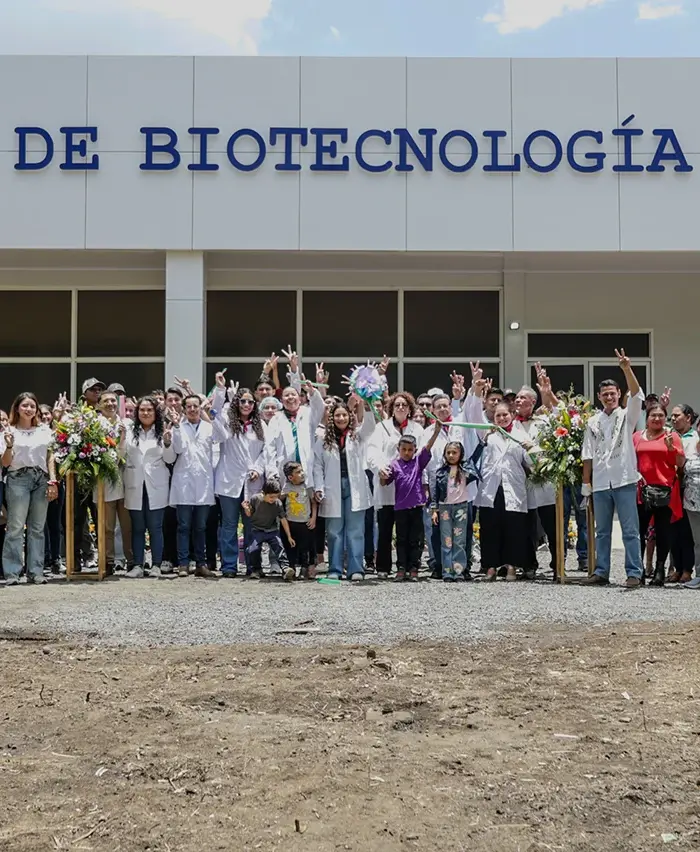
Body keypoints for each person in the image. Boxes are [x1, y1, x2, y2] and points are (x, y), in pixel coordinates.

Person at [581, 349, 645, 588]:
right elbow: (587, 453)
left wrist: (626, 369)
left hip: (624, 478)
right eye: (605, 394)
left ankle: (634, 573)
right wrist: (586, 484)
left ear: (619, 395)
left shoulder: (627, 416)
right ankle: (602, 571)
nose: (609, 397)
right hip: (600, 482)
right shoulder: (592, 422)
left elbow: (637, 394)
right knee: (602, 531)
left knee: (630, 530)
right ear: (599, 397)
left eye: (613, 393)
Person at [313, 395, 374, 582]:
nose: (341, 419)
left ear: (350, 416)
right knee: (334, 531)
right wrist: (318, 487)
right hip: (333, 487)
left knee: (355, 530)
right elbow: (317, 465)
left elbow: (370, 426)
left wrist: (367, 403)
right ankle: (335, 569)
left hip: (354, 486)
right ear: (332, 418)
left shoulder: (357, 436)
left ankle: (356, 568)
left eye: (344, 415)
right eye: (337, 415)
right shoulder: (323, 439)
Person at [211, 376, 267, 578]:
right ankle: (229, 566)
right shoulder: (227, 422)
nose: (246, 404)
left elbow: (265, 452)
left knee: (252, 526)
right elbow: (215, 415)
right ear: (236, 403)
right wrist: (220, 390)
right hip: (229, 481)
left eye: (250, 401)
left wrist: (258, 469)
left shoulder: (260, 427)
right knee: (229, 525)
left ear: (254, 404)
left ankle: (253, 566)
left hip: (252, 483)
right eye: (242, 401)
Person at [1, 392, 59, 585]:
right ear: (17, 408)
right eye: (25, 405)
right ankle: (12, 572)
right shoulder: (9, 431)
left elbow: (50, 456)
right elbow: (6, 463)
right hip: (18, 478)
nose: (29, 409)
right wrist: (9, 446)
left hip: (41, 479)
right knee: (16, 526)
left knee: (37, 527)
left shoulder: (44, 430)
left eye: (32, 406)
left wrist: (53, 481)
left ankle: (36, 571)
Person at [366, 392, 424, 579]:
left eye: (404, 405)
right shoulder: (381, 427)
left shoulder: (417, 428)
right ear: (391, 407)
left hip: (409, 490)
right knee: (384, 528)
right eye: (397, 405)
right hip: (387, 484)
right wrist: (379, 468)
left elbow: (423, 456)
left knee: (408, 533)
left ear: (410, 409)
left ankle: (407, 566)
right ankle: (383, 567)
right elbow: (372, 451)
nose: (400, 408)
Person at [474, 402, 531, 581]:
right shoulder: (488, 435)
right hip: (491, 487)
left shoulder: (520, 434)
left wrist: (530, 447)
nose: (502, 418)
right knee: (490, 528)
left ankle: (511, 567)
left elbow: (529, 461)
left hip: (512, 487)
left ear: (512, 414)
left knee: (513, 528)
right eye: (498, 416)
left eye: (505, 415)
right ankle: (490, 567)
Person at [121, 396, 176, 578]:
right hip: (135, 483)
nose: (145, 413)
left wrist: (168, 443)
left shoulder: (163, 431)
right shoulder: (129, 431)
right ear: (137, 413)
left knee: (155, 527)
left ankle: (156, 565)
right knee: (137, 527)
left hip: (156, 484)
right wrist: (120, 439)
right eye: (142, 410)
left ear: (155, 413)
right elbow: (121, 455)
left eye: (149, 410)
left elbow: (169, 459)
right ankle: (137, 564)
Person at [381, 418, 441, 582]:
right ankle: (401, 567)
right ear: (398, 449)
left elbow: (427, 448)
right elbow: (385, 482)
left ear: (414, 450)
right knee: (401, 539)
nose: (407, 452)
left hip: (416, 507)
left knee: (416, 539)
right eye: (404, 449)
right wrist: (381, 476)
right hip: (400, 508)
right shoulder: (394, 464)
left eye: (410, 449)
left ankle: (414, 567)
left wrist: (436, 432)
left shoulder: (418, 462)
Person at [633, 403, 685, 586]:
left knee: (664, 531)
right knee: (639, 532)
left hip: (665, 490)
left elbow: (680, 462)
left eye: (661, 415)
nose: (657, 419)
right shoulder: (637, 437)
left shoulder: (673, 436)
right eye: (653, 415)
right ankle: (637, 570)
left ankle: (660, 569)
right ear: (646, 418)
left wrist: (672, 448)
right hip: (641, 491)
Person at [169, 395, 217, 579]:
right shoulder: (178, 427)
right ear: (183, 409)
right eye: (188, 406)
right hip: (184, 484)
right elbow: (179, 449)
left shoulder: (209, 428)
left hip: (203, 483)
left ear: (200, 408)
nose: (192, 409)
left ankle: (201, 564)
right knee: (183, 526)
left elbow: (222, 438)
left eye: (195, 406)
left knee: (200, 527)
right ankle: (183, 563)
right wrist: (175, 426)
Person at [430, 441, 478, 581]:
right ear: (444, 454)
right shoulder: (440, 472)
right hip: (444, 508)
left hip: (461, 507)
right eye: (448, 452)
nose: (451, 455)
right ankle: (447, 572)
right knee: (446, 541)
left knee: (459, 541)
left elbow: (475, 457)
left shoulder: (465, 470)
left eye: (454, 452)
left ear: (460, 454)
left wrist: (481, 444)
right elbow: (435, 493)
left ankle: (458, 571)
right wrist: (434, 510)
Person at [97, 390, 133, 574]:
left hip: (125, 479)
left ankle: (132, 559)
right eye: (106, 401)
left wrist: (123, 438)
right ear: (99, 405)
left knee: (128, 526)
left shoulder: (126, 424)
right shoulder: (94, 426)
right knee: (107, 526)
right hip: (104, 481)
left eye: (113, 400)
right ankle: (107, 560)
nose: (110, 404)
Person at [266, 380, 325, 486]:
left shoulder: (307, 413)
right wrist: (272, 472)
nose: (290, 397)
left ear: (299, 398)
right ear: (281, 400)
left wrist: (312, 393)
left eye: (293, 394)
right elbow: (270, 448)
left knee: (306, 500)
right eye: (286, 395)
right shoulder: (276, 418)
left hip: (306, 467)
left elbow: (319, 408)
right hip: (285, 470)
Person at [243, 480, 294, 582]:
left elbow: (283, 519)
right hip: (257, 530)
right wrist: (245, 509)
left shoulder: (278, 503)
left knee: (279, 546)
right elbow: (249, 514)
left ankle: (285, 569)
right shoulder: (255, 499)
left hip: (272, 530)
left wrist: (289, 536)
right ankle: (257, 570)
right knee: (253, 549)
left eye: (276, 497)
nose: (273, 499)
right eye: (271, 497)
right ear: (263, 493)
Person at [669, 404, 697, 584]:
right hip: (670, 489)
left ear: (688, 417)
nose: (673, 419)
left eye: (676, 415)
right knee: (673, 531)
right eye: (671, 415)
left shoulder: (694, 438)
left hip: (687, 488)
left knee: (687, 531)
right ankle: (676, 569)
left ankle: (687, 569)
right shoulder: (669, 436)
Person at [281, 461, 317, 579]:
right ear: (290, 477)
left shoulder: (307, 486)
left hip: (304, 523)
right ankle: (291, 569)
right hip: (290, 522)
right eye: (298, 472)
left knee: (304, 548)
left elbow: (313, 502)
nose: (302, 474)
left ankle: (304, 569)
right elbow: (280, 500)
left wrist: (313, 518)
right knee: (291, 547)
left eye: (302, 471)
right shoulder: (286, 487)